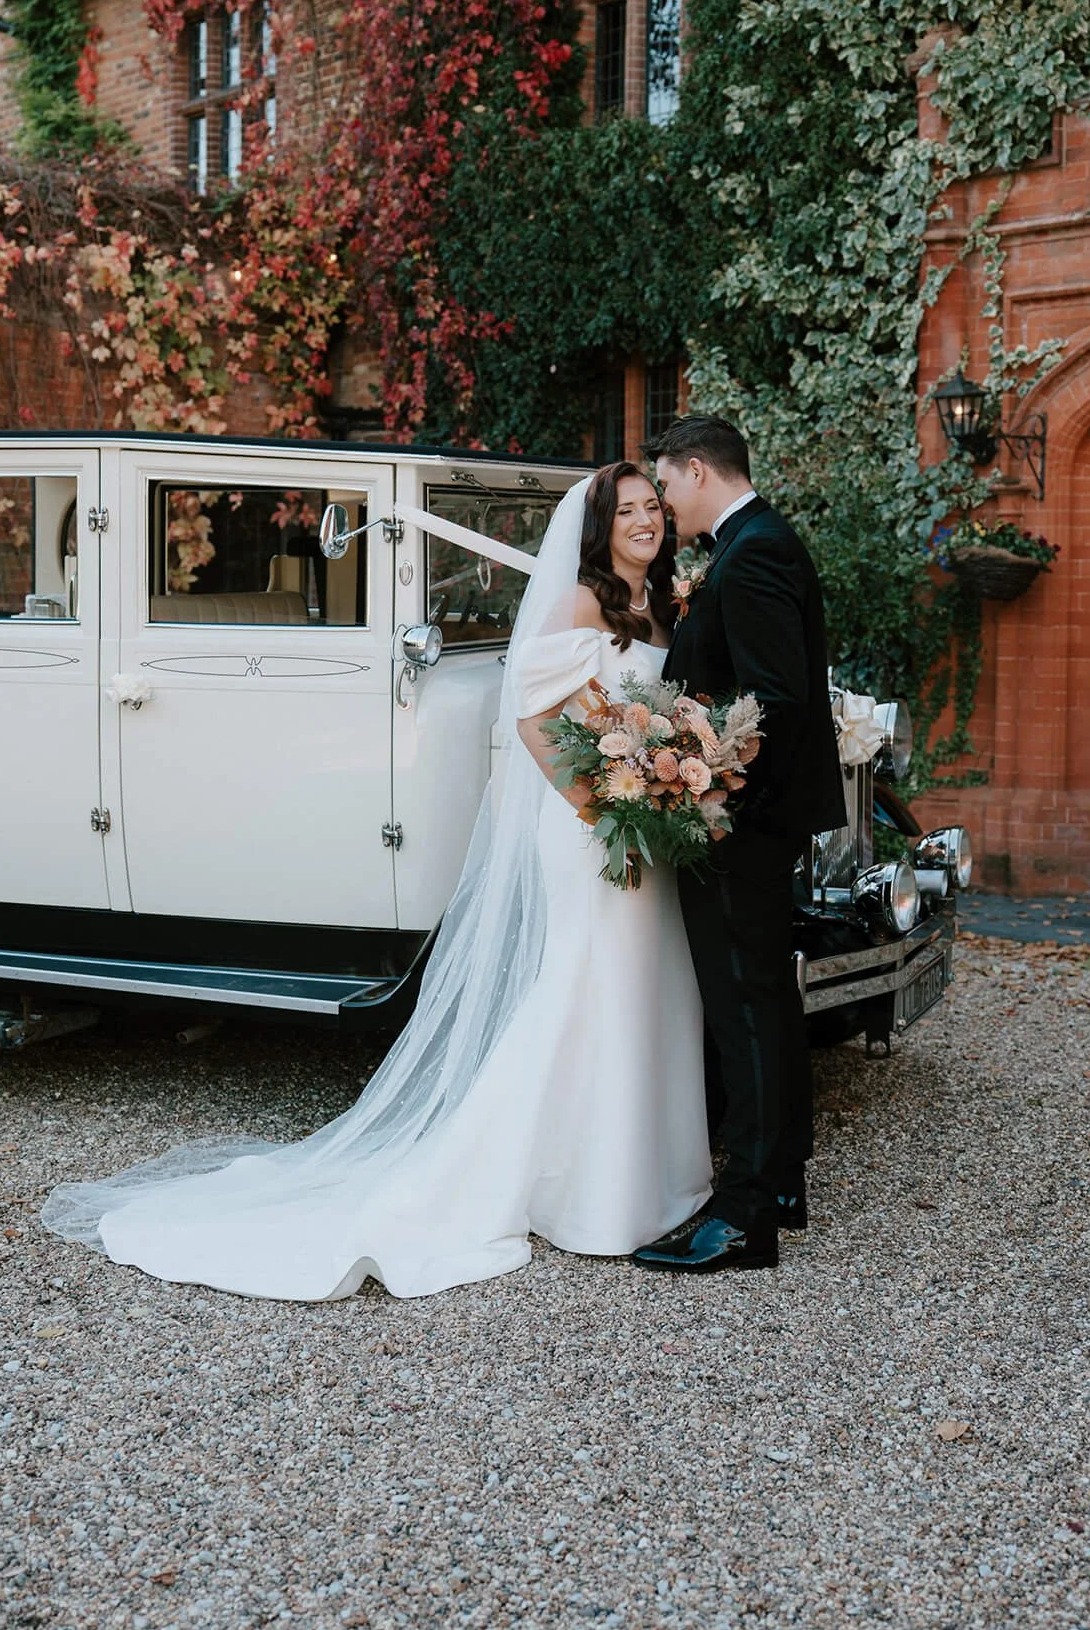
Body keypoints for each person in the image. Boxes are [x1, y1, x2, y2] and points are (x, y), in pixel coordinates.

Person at [42, 463, 712, 1301]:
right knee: (591, 987)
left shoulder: (660, 603)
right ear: (601, 526)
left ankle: (645, 1179)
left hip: (643, 823)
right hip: (589, 828)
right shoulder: (580, 598)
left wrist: (673, 780)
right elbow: (535, 716)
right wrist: (597, 807)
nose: (645, 521)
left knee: (646, 987)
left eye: (654, 507)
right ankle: (581, 1194)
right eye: (629, 511)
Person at [631, 414, 846, 1276]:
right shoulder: (758, 539)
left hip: (740, 825)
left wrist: (717, 802)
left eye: (668, 485)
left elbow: (777, 701)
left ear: (695, 470)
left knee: (744, 1004)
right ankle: (781, 1182)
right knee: (766, 998)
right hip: (760, 820)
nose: (665, 503)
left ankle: (744, 1217)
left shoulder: (751, 551)